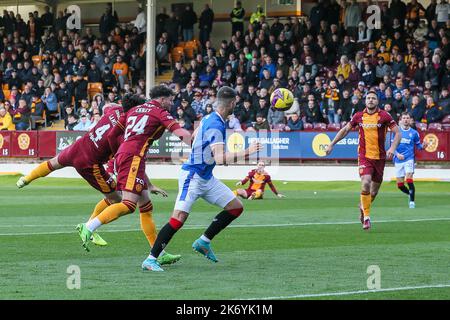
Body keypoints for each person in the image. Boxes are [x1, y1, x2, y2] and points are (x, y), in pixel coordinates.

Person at [16, 95, 181, 265]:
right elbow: (131, 156)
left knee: (54, 163)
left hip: (79, 146)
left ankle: (25, 179)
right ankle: (89, 227)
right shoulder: (126, 131)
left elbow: (107, 106)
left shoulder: (115, 110)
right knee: (117, 199)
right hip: (90, 163)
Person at [141, 86, 263, 272]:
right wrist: (248, 152)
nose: (235, 106)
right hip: (193, 176)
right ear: (231, 103)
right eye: (235, 103)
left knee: (236, 207)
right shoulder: (216, 124)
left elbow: (196, 138)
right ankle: (150, 259)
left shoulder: (209, 118)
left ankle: (203, 242)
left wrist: (205, 154)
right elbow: (220, 158)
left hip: (206, 176)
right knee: (179, 218)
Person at [75, 86, 191, 258]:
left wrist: (120, 154)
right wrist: (199, 146)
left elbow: (112, 135)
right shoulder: (159, 112)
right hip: (133, 157)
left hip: (130, 156)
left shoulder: (133, 110)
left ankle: (158, 253)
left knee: (146, 206)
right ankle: (89, 226)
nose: (172, 103)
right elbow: (181, 133)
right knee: (129, 205)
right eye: (170, 100)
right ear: (162, 99)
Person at [325, 91, 401, 230]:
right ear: (365, 101)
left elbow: (398, 133)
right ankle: (367, 217)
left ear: (377, 101)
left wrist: (392, 148)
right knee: (365, 182)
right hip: (364, 156)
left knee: (373, 193)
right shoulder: (358, 116)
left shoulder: (385, 116)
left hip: (380, 158)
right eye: (368, 98)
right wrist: (331, 143)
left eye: (373, 98)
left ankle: (363, 208)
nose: (371, 100)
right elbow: (345, 130)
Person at [393, 112, 428, 209]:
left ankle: (412, 202)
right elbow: (392, 147)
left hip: (409, 159)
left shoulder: (414, 133)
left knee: (409, 179)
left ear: (410, 120)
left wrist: (423, 146)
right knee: (400, 185)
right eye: (404, 118)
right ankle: (410, 194)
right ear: (400, 120)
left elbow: (419, 146)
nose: (405, 120)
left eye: (407, 118)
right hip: (398, 160)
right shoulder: (396, 132)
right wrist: (397, 154)